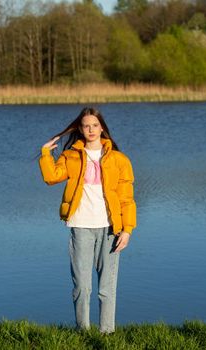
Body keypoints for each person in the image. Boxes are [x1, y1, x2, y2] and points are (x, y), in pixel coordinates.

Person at [38, 106, 136, 334]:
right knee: (82, 286)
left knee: (106, 288)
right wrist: (45, 154)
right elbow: (51, 178)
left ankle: (107, 333)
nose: (90, 129)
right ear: (80, 129)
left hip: (111, 228)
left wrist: (127, 229)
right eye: (86, 126)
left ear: (102, 127)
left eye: (94, 125)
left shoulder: (119, 160)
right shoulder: (71, 155)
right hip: (80, 226)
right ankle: (82, 331)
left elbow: (127, 198)